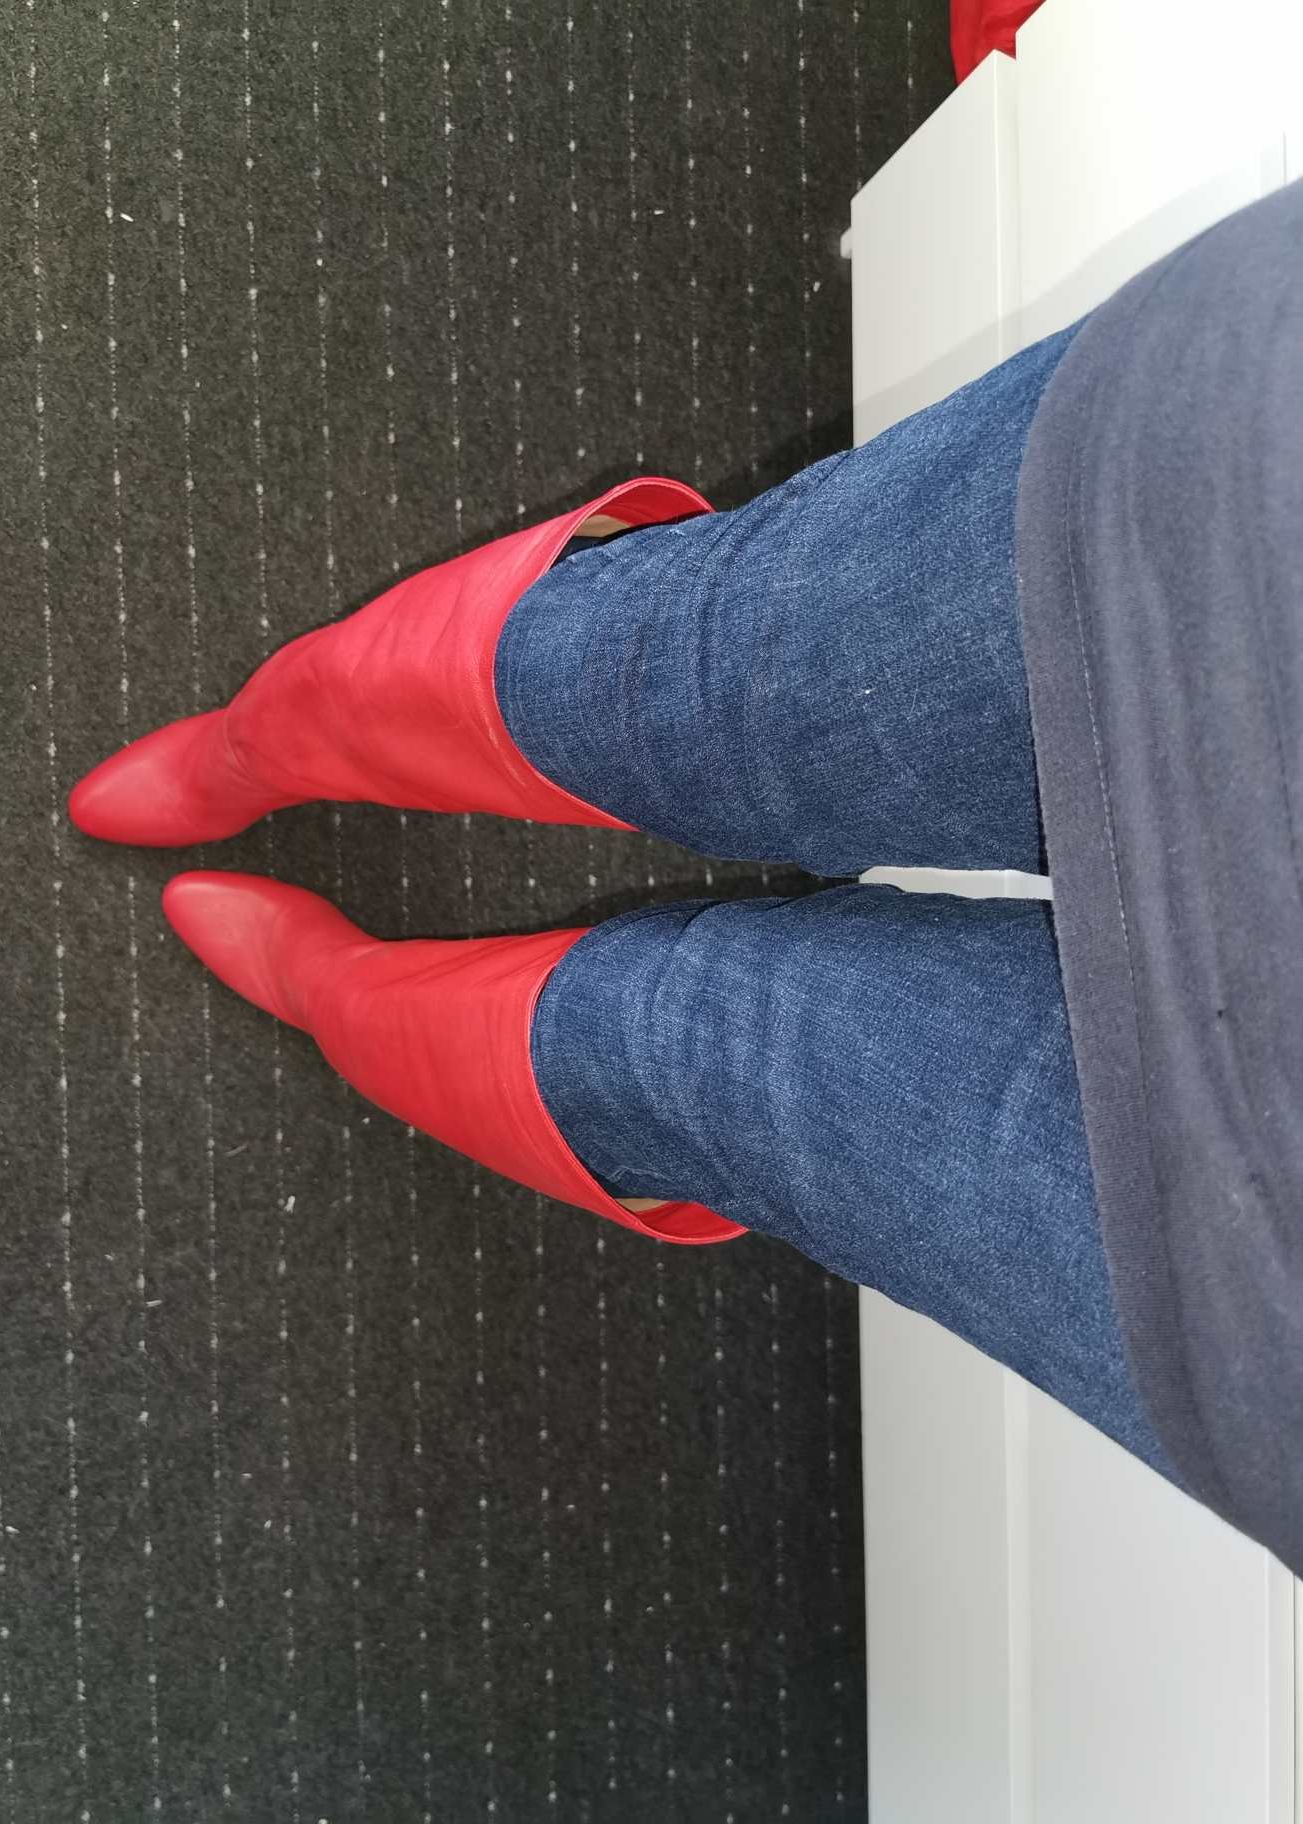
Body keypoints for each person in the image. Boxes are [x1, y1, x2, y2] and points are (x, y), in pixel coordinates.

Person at [69, 176, 1303, 1578]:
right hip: (1252, 539)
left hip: (1265, 1251)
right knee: (675, 682)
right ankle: (259, 741)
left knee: (701, 1053)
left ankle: (330, 992)